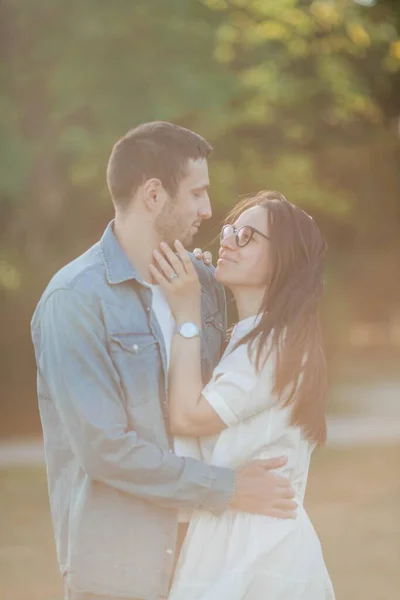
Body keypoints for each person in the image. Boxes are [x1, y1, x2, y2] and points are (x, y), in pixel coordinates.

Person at [30, 122, 297, 600]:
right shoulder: (74, 301)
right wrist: (226, 487)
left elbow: (242, 372)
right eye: (197, 193)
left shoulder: (204, 285)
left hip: (212, 559)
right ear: (154, 195)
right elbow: (104, 450)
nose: (208, 210)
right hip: (121, 571)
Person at [150, 190, 336, 599]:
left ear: (284, 259)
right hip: (234, 534)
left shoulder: (274, 344)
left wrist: (186, 313)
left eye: (248, 236)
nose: (228, 240)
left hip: (257, 550)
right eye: (232, 230)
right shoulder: (249, 337)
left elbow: (188, 417)